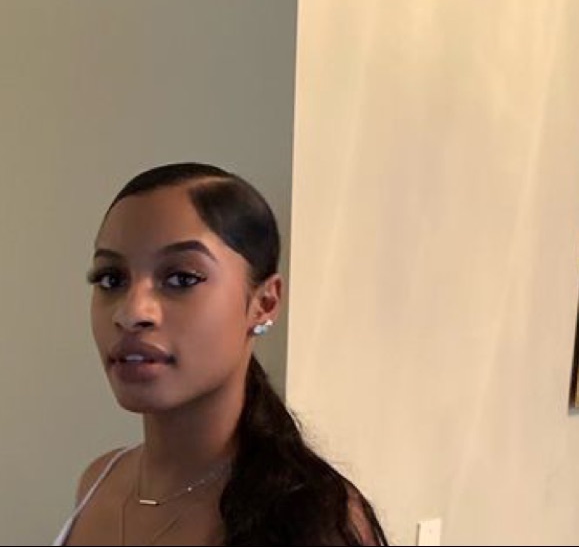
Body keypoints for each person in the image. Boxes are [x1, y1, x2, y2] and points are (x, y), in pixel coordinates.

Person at [53, 162, 388, 546]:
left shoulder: (315, 519)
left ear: (264, 303)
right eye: (111, 278)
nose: (130, 313)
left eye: (181, 278)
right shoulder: (98, 482)